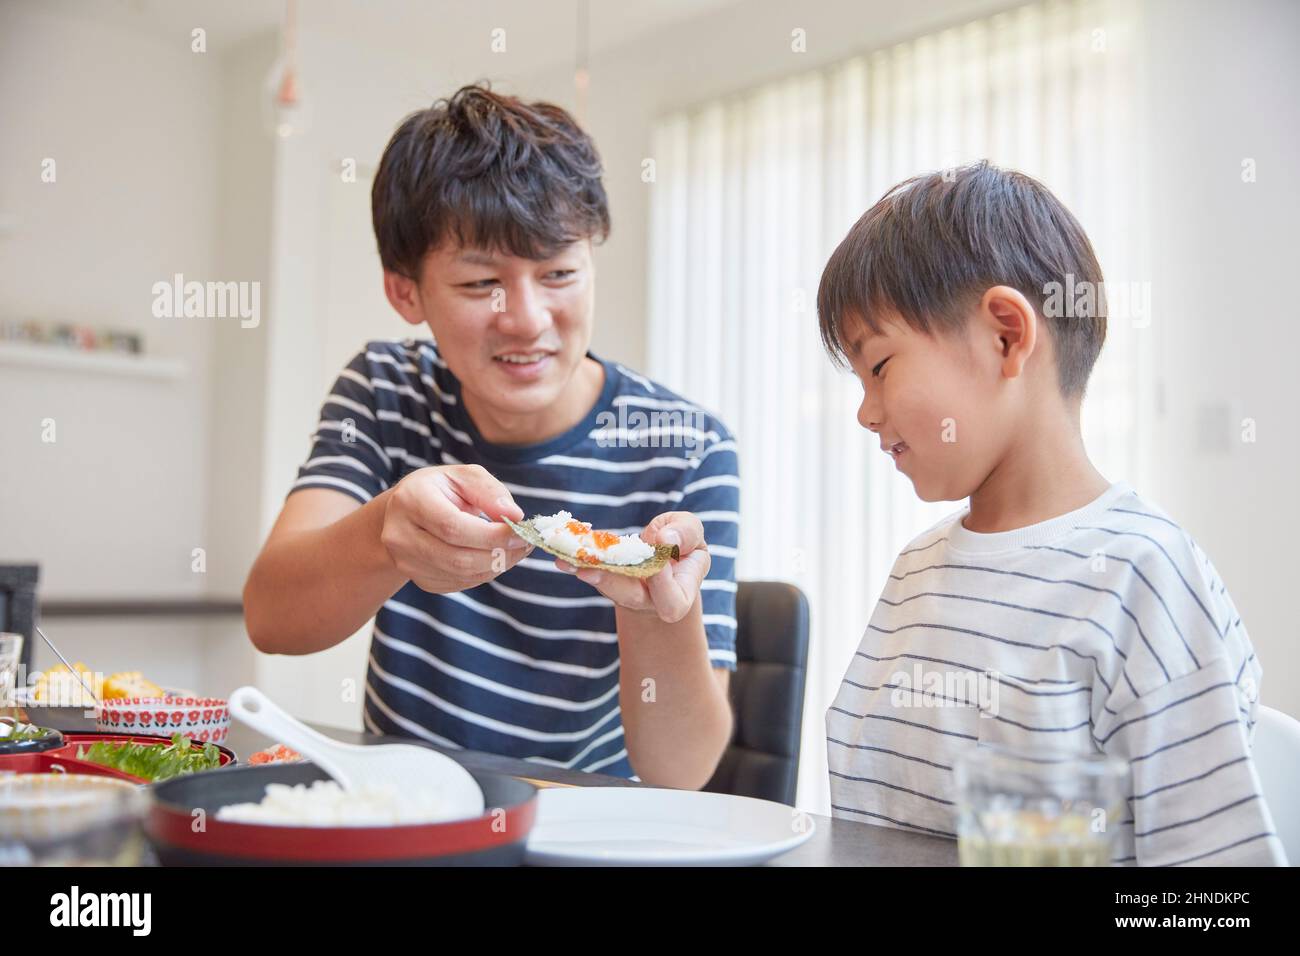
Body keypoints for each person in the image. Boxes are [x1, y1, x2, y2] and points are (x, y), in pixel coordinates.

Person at [243, 85, 738, 788]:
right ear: (405, 292)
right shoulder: (388, 391)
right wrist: (384, 530)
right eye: (481, 284)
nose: (527, 319)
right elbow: (272, 619)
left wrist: (658, 610)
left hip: (587, 829)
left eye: (560, 273)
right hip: (401, 812)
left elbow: (682, 772)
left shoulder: (687, 445)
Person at [817, 161, 1286, 865]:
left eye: (879, 366)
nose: (864, 411)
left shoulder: (1143, 576)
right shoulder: (916, 571)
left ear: (1005, 335)